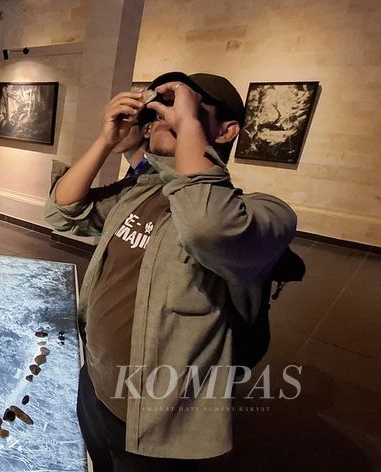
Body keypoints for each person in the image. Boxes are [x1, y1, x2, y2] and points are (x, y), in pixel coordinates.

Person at [44, 72, 297, 471]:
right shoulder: (141, 191)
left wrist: (188, 125)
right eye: (162, 107)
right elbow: (63, 212)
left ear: (227, 130)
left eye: (189, 107)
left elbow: (207, 228)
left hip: (155, 420)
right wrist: (106, 142)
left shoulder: (262, 214)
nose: (165, 116)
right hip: (94, 383)